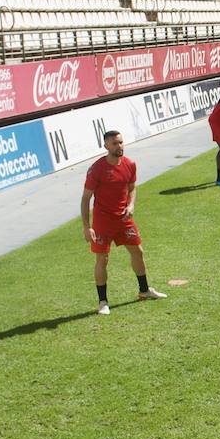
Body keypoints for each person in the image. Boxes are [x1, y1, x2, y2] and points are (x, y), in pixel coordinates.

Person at [81, 131, 166, 315]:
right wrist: (87, 227)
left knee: (138, 251)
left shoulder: (129, 164)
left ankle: (144, 291)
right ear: (106, 147)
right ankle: (103, 302)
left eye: (120, 142)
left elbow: (131, 187)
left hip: (124, 219)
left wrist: (131, 204)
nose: (119, 146)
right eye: (114, 143)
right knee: (102, 259)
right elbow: (85, 198)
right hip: (103, 221)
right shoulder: (96, 169)